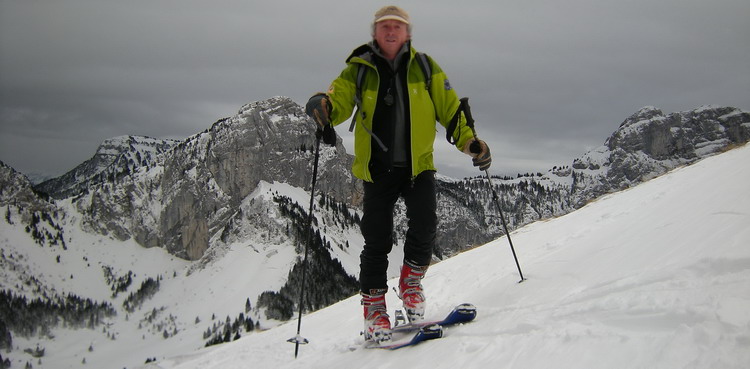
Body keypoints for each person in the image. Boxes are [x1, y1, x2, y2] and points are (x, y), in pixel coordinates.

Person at [305, 5, 491, 343]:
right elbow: (339, 99)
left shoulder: (425, 67)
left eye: (398, 26)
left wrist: (471, 143)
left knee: (426, 226)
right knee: (377, 239)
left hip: (417, 165)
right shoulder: (359, 69)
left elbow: (451, 110)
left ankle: (410, 284)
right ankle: (374, 310)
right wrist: (324, 105)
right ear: (375, 32)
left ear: (408, 33)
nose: (391, 31)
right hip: (377, 169)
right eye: (384, 26)